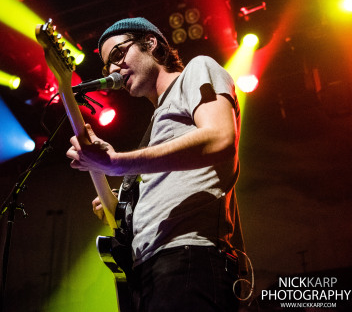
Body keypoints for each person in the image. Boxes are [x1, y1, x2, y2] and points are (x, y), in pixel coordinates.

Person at [66, 17, 245, 311]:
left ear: (150, 43)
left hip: (188, 256)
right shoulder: (154, 128)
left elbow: (220, 137)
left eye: (118, 55)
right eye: (107, 66)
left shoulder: (197, 69)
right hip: (148, 268)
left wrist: (117, 163)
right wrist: (116, 200)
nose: (113, 70)